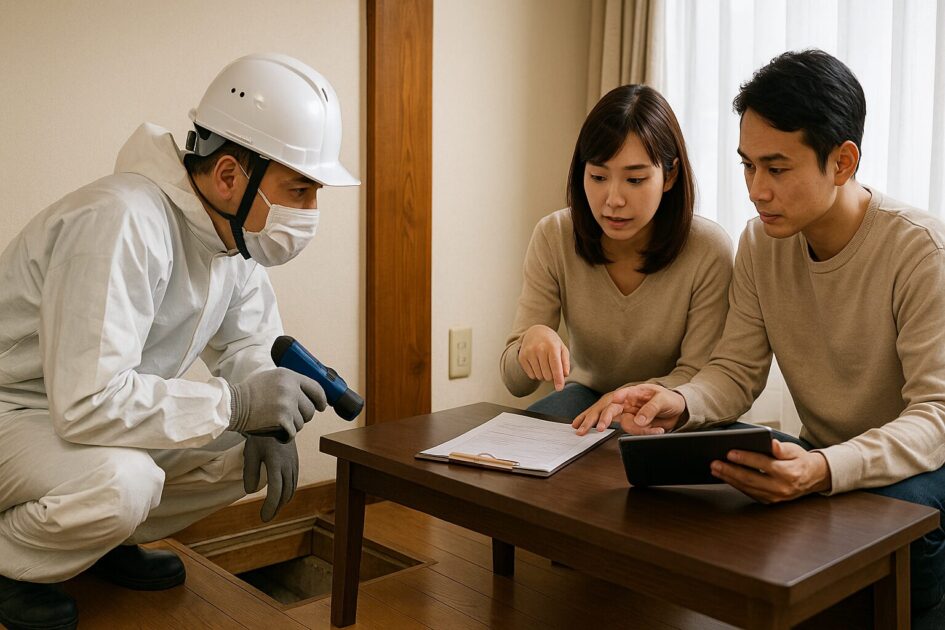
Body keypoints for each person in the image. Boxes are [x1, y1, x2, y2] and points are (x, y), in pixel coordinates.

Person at [0, 53, 359, 630]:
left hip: (71, 421)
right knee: (126, 482)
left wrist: (266, 414)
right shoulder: (121, 221)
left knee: (247, 447)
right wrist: (236, 405)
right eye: (299, 189)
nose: (310, 212)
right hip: (15, 413)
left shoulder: (231, 243)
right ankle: (11, 562)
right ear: (229, 176)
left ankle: (95, 544)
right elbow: (87, 401)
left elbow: (248, 346)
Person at [598, 50, 945, 624]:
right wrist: (679, 401)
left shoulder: (920, 251)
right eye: (748, 166)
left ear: (842, 162)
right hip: (822, 454)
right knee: (693, 468)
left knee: (893, 522)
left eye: (777, 169)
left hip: (921, 468)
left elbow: (936, 417)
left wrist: (824, 469)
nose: (756, 190)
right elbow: (735, 372)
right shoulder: (761, 243)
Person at [499, 85, 732, 423]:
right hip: (584, 395)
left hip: (665, 401)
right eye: (597, 176)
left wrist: (625, 400)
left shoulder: (708, 248)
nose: (613, 200)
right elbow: (514, 383)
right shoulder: (554, 235)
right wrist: (529, 344)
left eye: (634, 180)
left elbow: (696, 373)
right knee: (522, 432)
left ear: (670, 175)